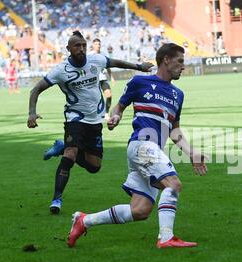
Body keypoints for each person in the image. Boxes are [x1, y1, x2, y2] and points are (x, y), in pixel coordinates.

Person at [67, 43, 208, 248]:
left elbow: (174, 130)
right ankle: (166, 237)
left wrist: (191, 152)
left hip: (152, 150)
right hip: (142, 145)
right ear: (166, 60)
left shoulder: (178, 95)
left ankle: (83, 220)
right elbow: (120, 106)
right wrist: (115, 116)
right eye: (180, 61)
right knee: (174, 184)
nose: (183, 67)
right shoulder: (140, 81)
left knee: (140, 210)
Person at [27, 31, 153, 214]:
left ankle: (63, 147)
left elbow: (115, 62)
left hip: (95, 120)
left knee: (94, 166)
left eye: (83, 45)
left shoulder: (96, 60)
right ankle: (56, 199)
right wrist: (32, 112)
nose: (81, 49)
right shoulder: (60, 70)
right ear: (68, 49)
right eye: (77, 46)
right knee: (70, 156)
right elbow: (36, 89)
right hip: (75, 118)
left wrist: (139, 67)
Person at [91, 38, 114, 120]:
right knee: (95, 99)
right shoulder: (89, 55)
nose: (98, 46)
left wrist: (111, 77)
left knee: (109, 95)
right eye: (96, 44)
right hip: (93, 80)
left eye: (99, 44)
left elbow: (108, 66)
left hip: (102, 78)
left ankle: (106, 113)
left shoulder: (103, 55)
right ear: (93, 45)